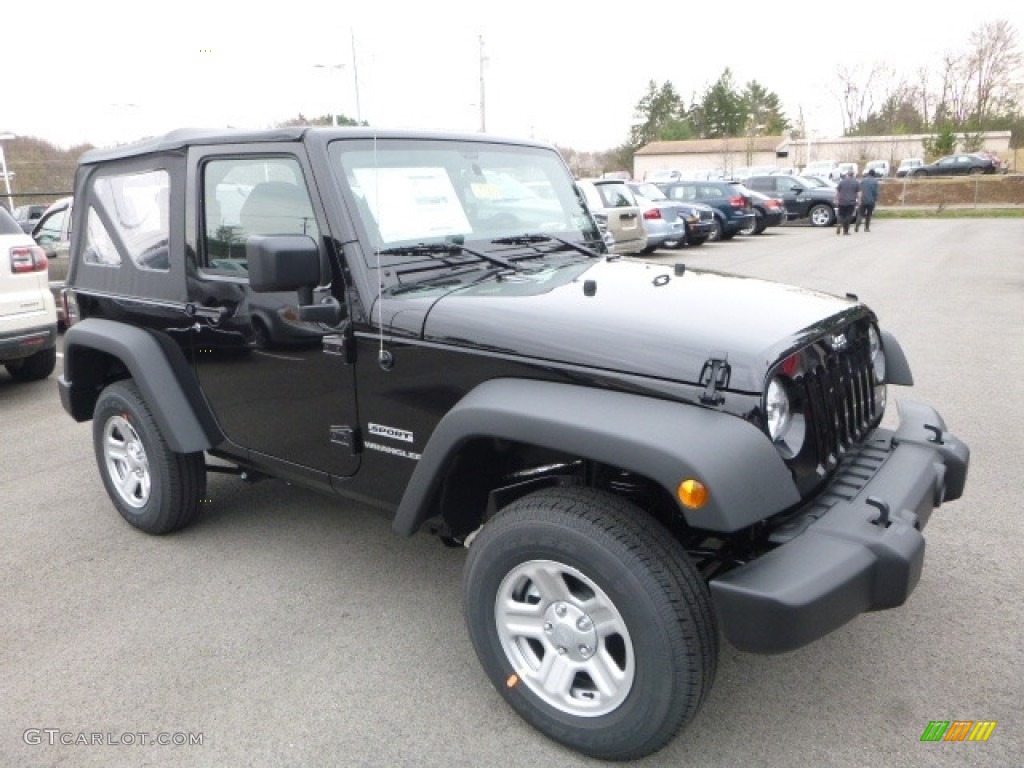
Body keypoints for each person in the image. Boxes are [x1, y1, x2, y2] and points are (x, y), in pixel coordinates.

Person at [834, 169, 860, 235]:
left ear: (847, 174)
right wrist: (859, 201)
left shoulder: (842, 182)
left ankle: (839, 224)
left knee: (841, 215)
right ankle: (846, 231)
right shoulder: (856, 182)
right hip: (851, 202)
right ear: (853, 175)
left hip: (842, 201)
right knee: (848, 216)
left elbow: (837, 191)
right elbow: (859, 193)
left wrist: (836, 199)